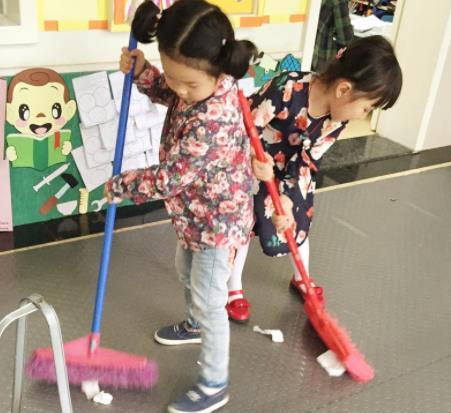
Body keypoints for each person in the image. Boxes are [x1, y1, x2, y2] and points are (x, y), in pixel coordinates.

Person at [104, 1, 257, 412]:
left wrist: (121, 186)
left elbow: (170, 178)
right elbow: (171, 93)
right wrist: (144, 73)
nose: (179, 89)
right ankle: (194, 324)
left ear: (218, 72)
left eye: (187, 83)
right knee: (184, 270)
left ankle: (215, 383)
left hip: (219, 222)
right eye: (172, 76)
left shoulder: (214, 119)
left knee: (211, 300)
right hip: (195, 213)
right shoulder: (196, 83)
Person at [225, 35, 403, 323]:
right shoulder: (287, 88)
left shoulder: (337, 120)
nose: (363, 116)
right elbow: (243, 126)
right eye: (367, 108)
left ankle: (302, 277)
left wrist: (288, 197)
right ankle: (233, 289)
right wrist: (253, 158)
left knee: (298, 222)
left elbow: (309, 160)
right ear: (344, 89)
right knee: (243, 225)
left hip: (295, 173)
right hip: (253, 166)